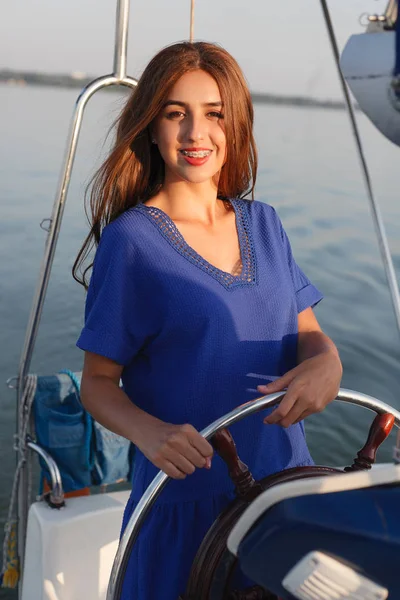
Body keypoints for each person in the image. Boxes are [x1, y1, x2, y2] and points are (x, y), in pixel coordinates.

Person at [74, 41, 342, 600]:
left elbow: (310, 338)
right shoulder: (131, 242)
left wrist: (328, 364)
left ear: (234, 124)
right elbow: (97, 384)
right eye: (176, 113)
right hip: (182, 507)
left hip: (284, 494)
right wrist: (148, 432)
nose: (196, 133)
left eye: (214, 114)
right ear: (151, 127)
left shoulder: (266, 224)